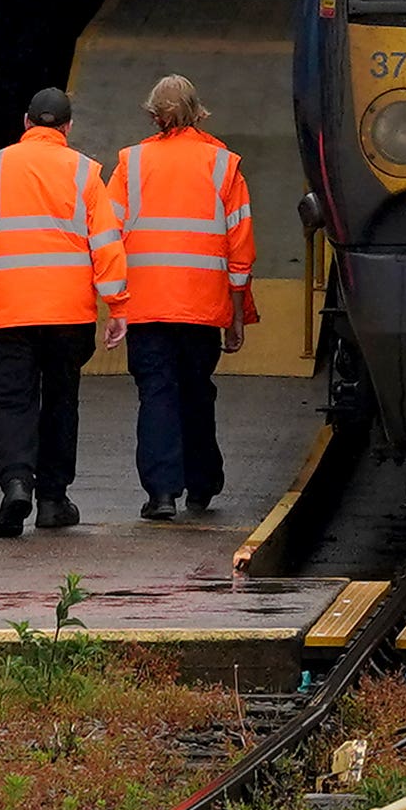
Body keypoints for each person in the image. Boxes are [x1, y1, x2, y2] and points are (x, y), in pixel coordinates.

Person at [0, 88, 127, 537]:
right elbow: (106, 244)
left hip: (6, 310)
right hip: (68, 315)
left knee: (11, 398)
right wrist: (117, 307)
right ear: (67, 128)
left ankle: (16, 483)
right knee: (60, 399)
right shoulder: (86, 173)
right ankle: (52, 500)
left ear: (26, 122)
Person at [111, 74, 258, 520]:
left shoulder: (130, 165)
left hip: (147, 308)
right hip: (201, 308)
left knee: (157, 393)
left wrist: (113, 304)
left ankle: (161, 493)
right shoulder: (224, 166)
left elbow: (107, 236)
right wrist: (236, 315)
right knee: (196, 391)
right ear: (199, 111)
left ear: (155, 117)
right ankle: (202, 485)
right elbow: (241, 251)